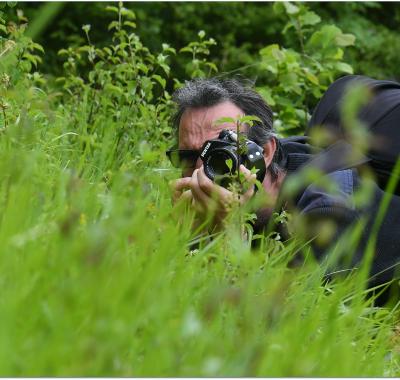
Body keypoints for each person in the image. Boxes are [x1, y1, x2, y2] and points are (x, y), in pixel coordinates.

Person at [167, 75, 400, 300]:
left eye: (220, 156)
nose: (202, 171)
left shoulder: (330, 205)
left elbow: (285, 324)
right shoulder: (269, 180)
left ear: (265, 153)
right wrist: (188, 238)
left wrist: (228, 232)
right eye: (188, 157)